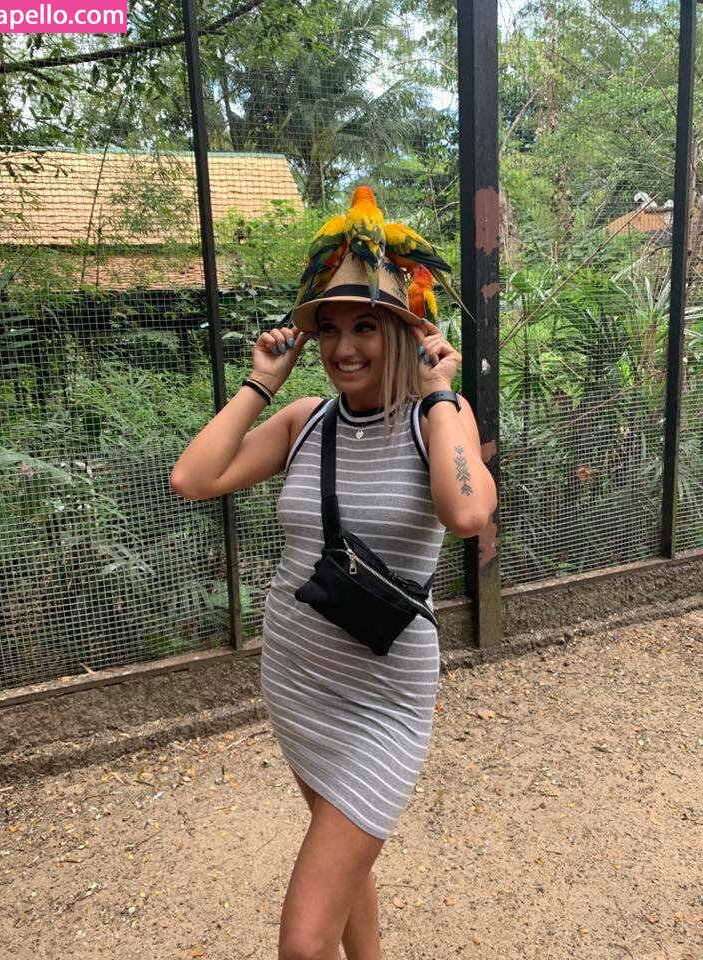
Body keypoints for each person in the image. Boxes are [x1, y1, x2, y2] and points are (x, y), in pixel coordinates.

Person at [170, 252, 497, 960]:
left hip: (383, 699)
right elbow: (193, 478)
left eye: (365, 327)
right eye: (329, 330)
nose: (343, 348)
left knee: (303, 940)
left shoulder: (436, 420)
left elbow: (468, 513)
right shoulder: (304, 421)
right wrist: (262, 382)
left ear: (405, 333)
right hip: (297, 682)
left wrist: (440, 391)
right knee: (342, 859)